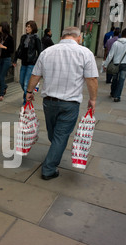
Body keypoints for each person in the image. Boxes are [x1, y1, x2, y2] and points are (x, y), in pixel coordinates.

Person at [26, 27, 98, 180]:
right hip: (70, 104)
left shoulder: (47, 52)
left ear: (62, 36)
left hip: (49, 103)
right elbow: (91, 79)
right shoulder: (85, 53)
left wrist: (29, 92)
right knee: (60, 136)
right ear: (78, 38)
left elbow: (35, 74)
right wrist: (92, 99)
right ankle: (48, 169)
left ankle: (54, 152)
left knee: (55, 134)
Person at [103, 27, 126, 102]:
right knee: (121, 80)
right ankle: (117, 96)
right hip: (125, 64)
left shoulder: (116, 43)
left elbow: (110, 55)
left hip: (116, 63)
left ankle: (113, 93)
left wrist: (105, 65)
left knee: (114, 79)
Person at [13, 20, 42, 105]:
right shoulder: (23, 37)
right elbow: (19, 49)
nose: (27, 28)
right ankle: (29, 94)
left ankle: (26, 102)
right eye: (26, 26)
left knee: (26, 83)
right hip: (24, 63)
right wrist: (15, 59)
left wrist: (37, 62)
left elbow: (40, 51)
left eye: (29, 27)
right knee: (21, 82)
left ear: (33, 28)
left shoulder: (36, 38)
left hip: (31, 63)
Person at [0, 21, 14, 101]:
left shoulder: (10, 38)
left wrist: (3, 47)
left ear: (4, 27)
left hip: (6, 59)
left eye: (0, 26)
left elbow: (12, 50)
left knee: (2, 76)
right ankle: (5, 86)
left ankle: (1, 94)